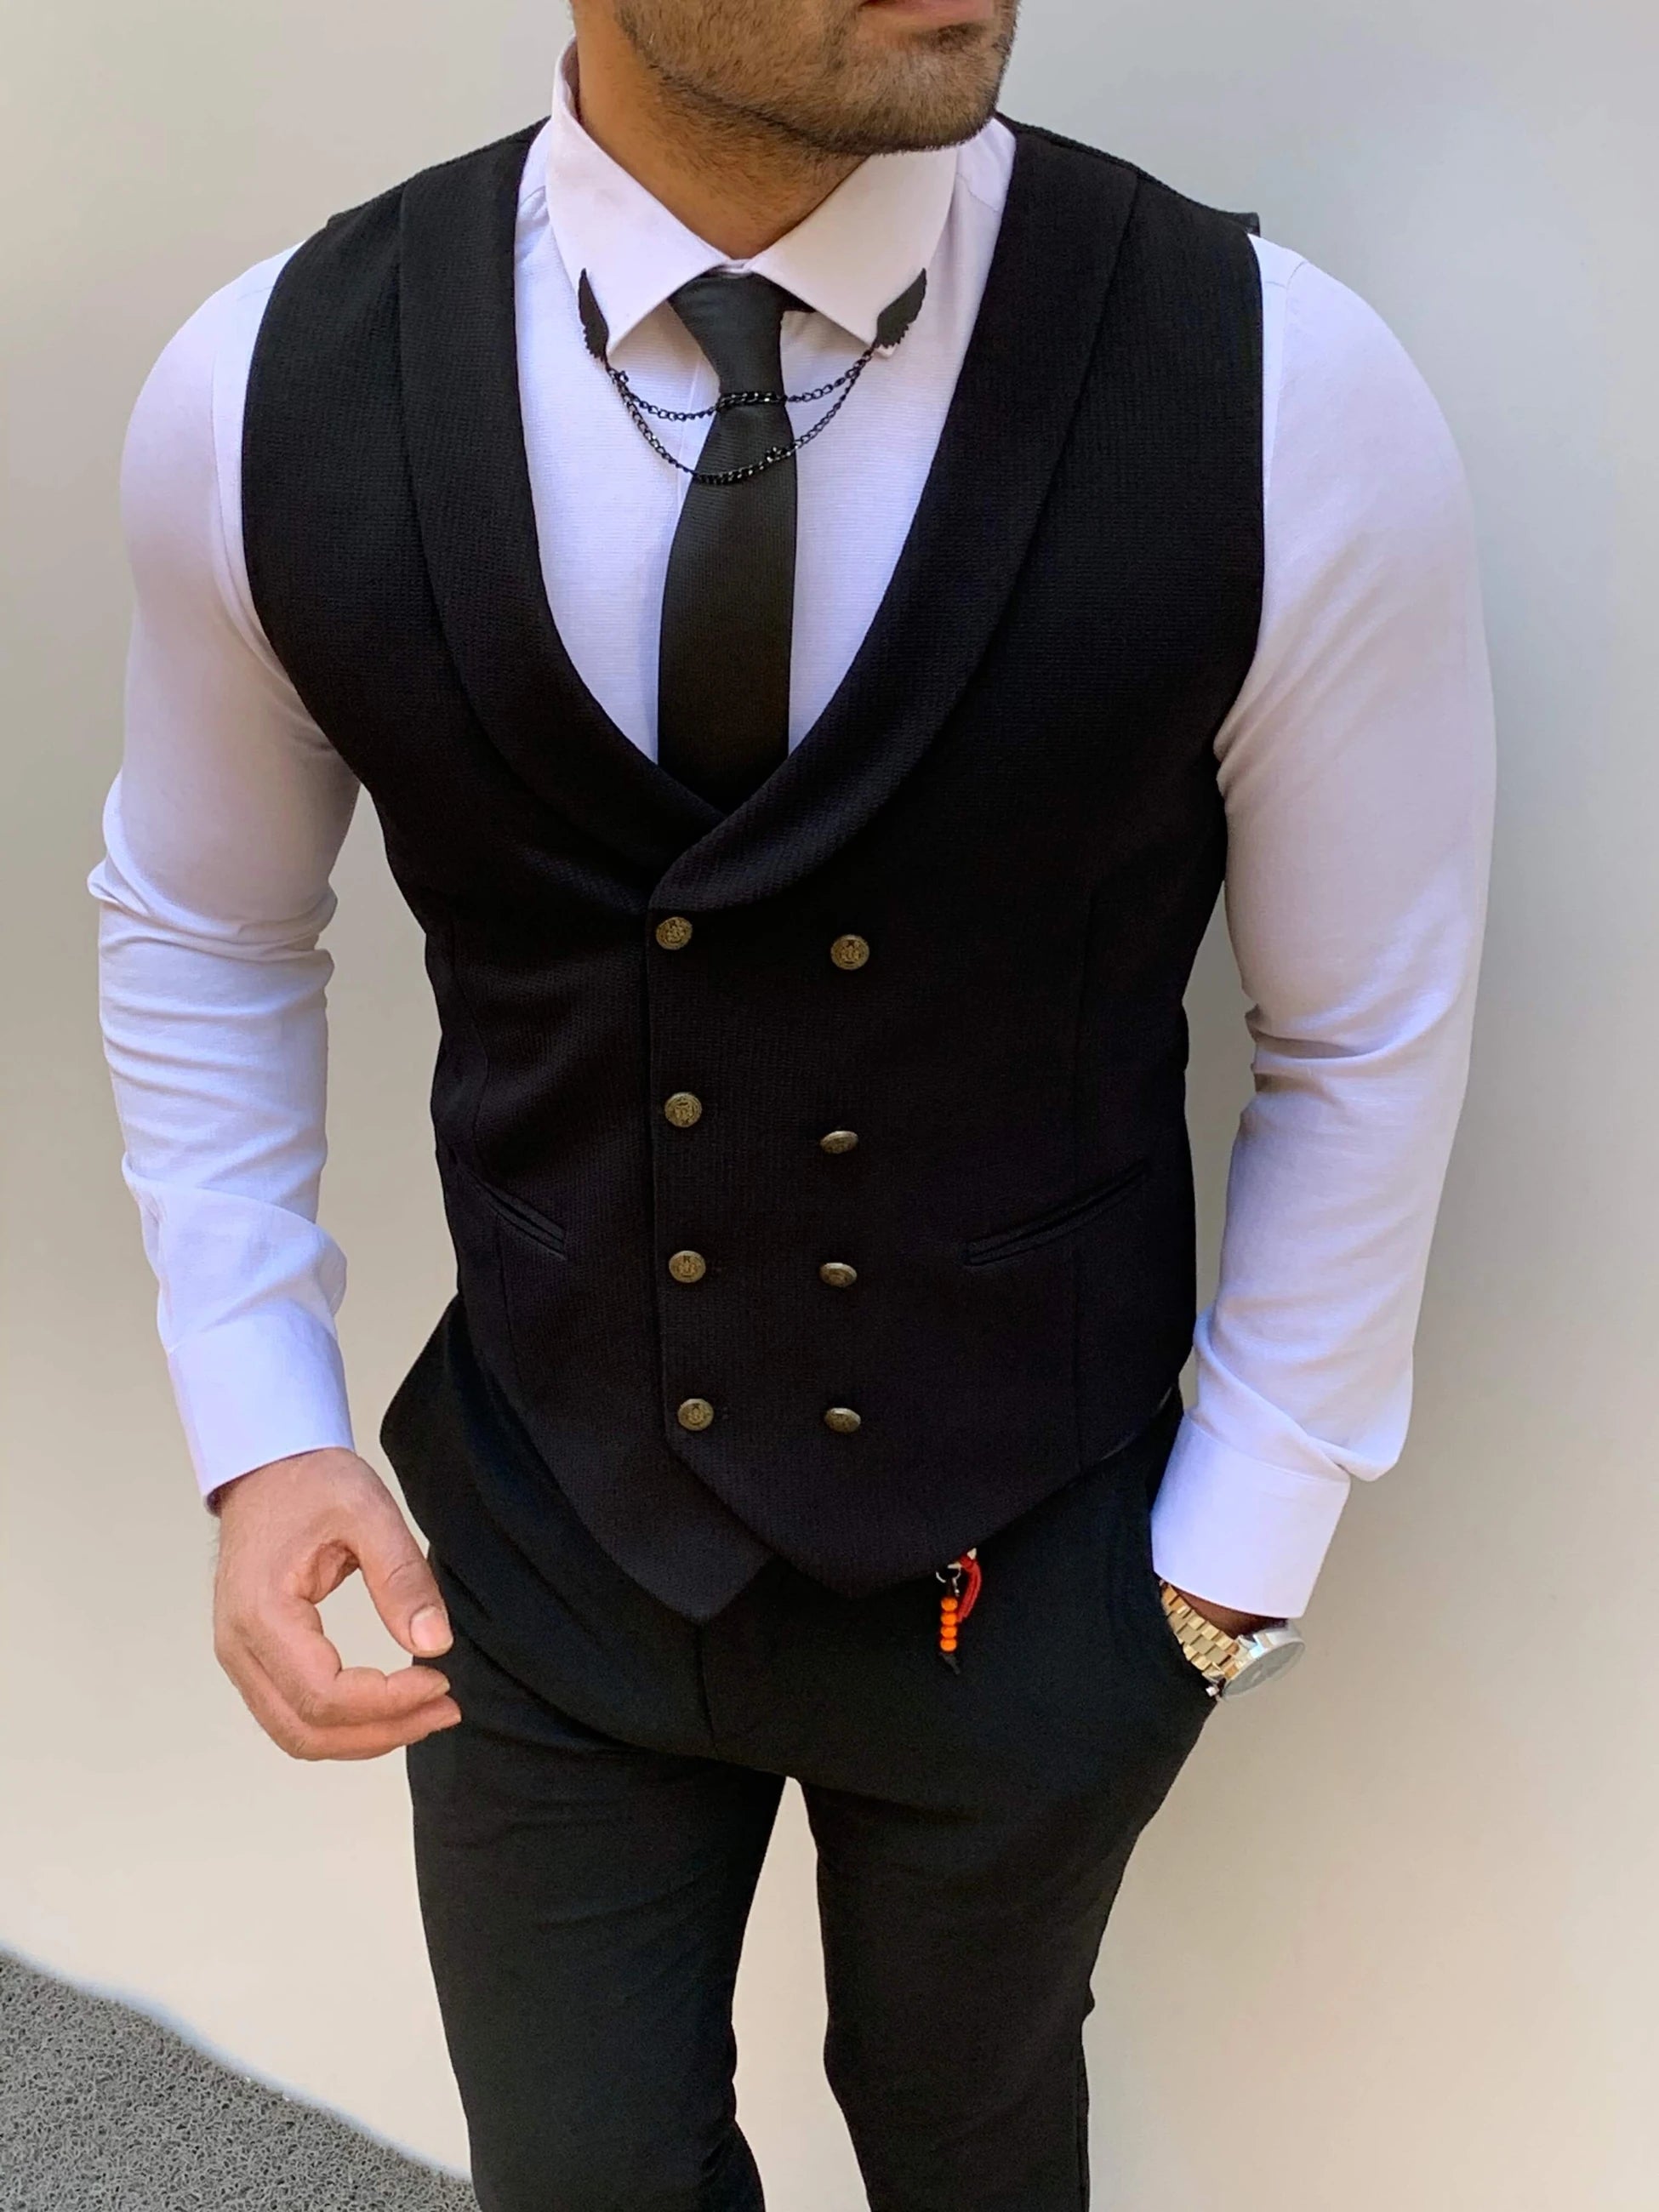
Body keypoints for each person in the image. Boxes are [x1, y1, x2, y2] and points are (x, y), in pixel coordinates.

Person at [88, 0, 1496, 2203]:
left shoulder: (1280, 390)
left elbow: (1365, 1033)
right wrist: (260, 1422)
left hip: (1034, 1564)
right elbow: (203, 921)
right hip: (536, 1548)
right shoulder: (265, 389)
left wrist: (1225, 1575)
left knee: (976, 2144)